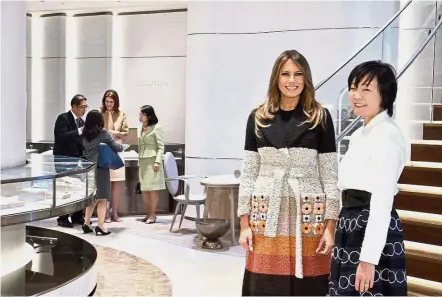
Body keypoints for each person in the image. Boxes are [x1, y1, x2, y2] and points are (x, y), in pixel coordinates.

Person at [237, 49, 340, 296]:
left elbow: (329, 174)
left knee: (311, 281)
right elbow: (249, 172)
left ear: (306, 79)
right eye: (285, 74)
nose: (291, 80)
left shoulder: (320, 116)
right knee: (264, 282)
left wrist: (330, 225)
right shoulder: (258, 117)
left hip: (308, 212)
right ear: (276, 78)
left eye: (298, 74)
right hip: (266, 211)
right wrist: (244, 224)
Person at [328, 61, 407, 296]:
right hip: (351, 223)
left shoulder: (388, 134)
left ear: (384, 95)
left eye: (366, 89)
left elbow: (382, 200)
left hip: (370, 226)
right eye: (353, 88)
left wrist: (368, 260)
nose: (356, 95)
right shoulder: (361, 133)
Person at [81, 110, 124, 236]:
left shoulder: (84, 133)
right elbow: (117, 147)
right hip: (100, 169)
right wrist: (123, 145)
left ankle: (86, 223)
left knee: (91, 198)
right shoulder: (102, 133)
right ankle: (100, 226)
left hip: (88, 169)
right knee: (102, 198)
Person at [53, 94, 88, 228]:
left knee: (78, 188)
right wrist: (79, 131)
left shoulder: (81, 121)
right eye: (82, 107)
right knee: (66, 189)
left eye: (85, 107)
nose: (84, 110)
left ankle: (77, 215)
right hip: (64, 160)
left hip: (78, 160)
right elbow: (61, 136)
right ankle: (62, 217)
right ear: (74, 106)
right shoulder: (63, 118)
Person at [101, 89, 129, 222]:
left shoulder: (121, 114)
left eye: (111, 102)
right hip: (104, 150)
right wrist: (112, 134)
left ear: (115, 102)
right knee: (105, 182)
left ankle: (115, 213)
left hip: (117, 149)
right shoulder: (99, 113)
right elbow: (97, 131)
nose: (109, 104)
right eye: (107, 101)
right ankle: (105, 213)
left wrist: (112, 133)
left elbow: (125, 133)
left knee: (117, 183)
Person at [138, 105, 165, 224]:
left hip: (153, 161)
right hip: (143, 161)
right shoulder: (141, 127)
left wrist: (157, 162)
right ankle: (148, 213)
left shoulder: (156, 127)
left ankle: (153, 214)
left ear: (148, 116)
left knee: (153, 189)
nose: (140, 116)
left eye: (142, 114)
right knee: (144, 189)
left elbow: (161, 147)